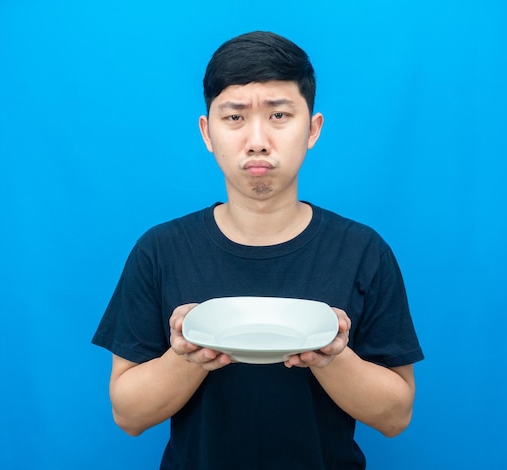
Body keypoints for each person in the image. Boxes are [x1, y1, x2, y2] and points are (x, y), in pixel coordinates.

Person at [92, 31, 424, 469]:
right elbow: (128, 414)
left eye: (280, 115)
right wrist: (187, 355)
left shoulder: (362, 251)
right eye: (234, 118)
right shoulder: (161, 250)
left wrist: (333, 359)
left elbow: (396, 415)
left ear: (313, 128)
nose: (257, 140)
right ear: (207, 132)